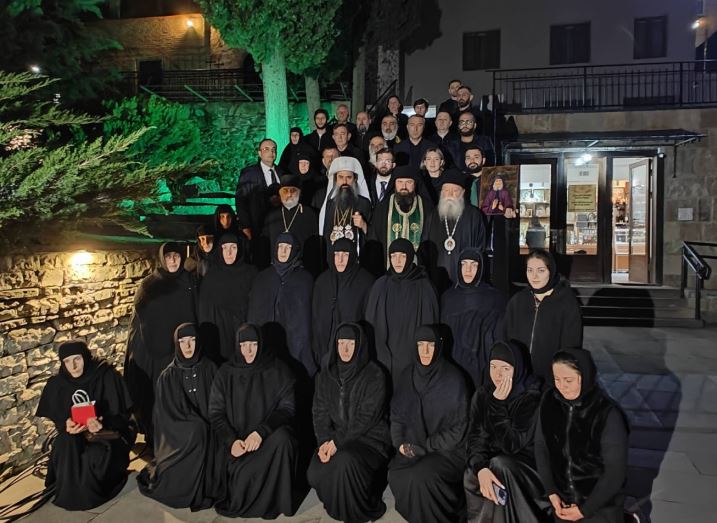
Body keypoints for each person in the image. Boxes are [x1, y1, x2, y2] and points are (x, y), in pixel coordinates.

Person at [209, 323, 300, 518]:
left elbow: (287, 408)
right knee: (241, 485)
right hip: (238, 444)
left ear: (261, 344)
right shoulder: (225, 373)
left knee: (284, 439)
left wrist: (261, 432)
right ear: (237, 346)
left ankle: (278, 503)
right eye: (243, 345)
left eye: (253, 344)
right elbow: (216, 414)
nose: (248, 350)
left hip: (266, 440)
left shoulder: (278, 369)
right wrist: (231, 441)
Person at [308, 323, 391, 523]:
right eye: (341, 343)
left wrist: (336, 442)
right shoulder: (326, 375)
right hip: (336, 439)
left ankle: (359, 510)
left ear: (359, 345)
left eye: (351, 343)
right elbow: (319, 412)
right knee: (314, 473)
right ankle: (338, 505)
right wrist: (324, 442)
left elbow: (366, 418)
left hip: (370, 440)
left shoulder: (374, 374)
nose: (345, 349)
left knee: (345, 462)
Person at [37, 341, 135, 510]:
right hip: (76, 433)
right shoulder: (58, 382)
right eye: (67, 361)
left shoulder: (106, 375)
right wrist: (65, 424)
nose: (73, 366)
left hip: (106, 433)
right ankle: (69, 492)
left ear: (86, 357)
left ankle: (88, 495)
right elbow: (59, 417)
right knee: (62, 445)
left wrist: (102, 422)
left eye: (77, 359)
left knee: (94, 456)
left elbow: (123, 416)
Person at [535, 349, 629, 523]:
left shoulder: (606, 413)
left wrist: (585, 510)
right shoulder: (549, 402)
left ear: (584, 376)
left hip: (599, 504)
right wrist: (551, 492)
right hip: (562, 500)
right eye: (557, 379)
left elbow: (615, 472)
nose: (562, 386)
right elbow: (541, 447)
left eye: (568, 380)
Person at [388, 326, 470, 523]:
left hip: (448, 451)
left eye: (431, 345)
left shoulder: (454, 379)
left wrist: (427, 446)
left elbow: (459, 430)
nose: (425, 351)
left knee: (421, 477)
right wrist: (399, 443)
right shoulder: (406, 375)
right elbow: (396, 416)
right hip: (414, 445)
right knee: (396, 474)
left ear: (439, 347)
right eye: (421, 345)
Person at [137, 323, 220, 510]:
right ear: (177, 344)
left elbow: (220, 405)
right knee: (196, 434)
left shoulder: (210, 368)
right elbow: (165, 419)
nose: (187, 346)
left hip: (212, 433)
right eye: (182, 341)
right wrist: (195, 428)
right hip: (179, 438)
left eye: (192, 340)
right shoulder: (168, 376)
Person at [463, 341, 547, 523]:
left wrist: (497, 406)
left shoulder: (531, 398)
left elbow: (512, 445)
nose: (498, 374)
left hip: (527, 466)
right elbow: (475, 438)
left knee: (499, 466)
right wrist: (481, 467)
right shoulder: (483, 394)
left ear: (517, 369)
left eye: (505, 368)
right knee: (473, 473)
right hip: (496, 460)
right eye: (493, 367)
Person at [124, 242, 196, 444]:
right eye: (168, 256)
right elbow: (141, 318)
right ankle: (155, 436)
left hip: (182, 349)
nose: (173, 260)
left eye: (176, 256)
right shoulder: (150, 285)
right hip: (154, 351)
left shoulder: (189, 282)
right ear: (162, 259)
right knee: (155, 395)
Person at [504, 249, 583, 386]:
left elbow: (571, 345)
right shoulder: (517, 301)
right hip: (519, 378)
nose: (534, 276)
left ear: (551, 271)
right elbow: (506, 337)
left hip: (551, 379)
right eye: (530, 270)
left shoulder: (566, 302)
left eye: (541, 270)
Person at [365, 238, 438, 377]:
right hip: (384, 360)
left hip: (413, 361)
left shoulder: (424, 287)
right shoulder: (380, 286)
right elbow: (371, 324)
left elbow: (430, 327)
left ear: (410, 257)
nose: (397, 261)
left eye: (402, 256)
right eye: (393, 256)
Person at [248, 233, 317, 377]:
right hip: (267, 342)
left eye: (288, 247)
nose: (283, 251)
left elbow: (309, 316)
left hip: (296, 343)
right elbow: (254, 313)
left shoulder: (305, 279)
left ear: (294, 250)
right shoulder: (262, 278)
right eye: (280, 247)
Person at [441, 249, 507, 387]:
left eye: (474, 264)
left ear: (481, 267)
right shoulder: (448, 297)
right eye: (464, 264)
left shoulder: (494, 298)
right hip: (452, 365)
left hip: (482, 365)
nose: (468, 269)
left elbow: (499, 338)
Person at [420, 168, 486, 294]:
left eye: (455, 190)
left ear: (463, 192)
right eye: (446, 190)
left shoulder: (474, 215)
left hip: (465, 280)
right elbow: (424, 248)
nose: (449, 194)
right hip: (435, 278)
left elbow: (479, 248)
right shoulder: (432, 215)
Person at [312, 238, 375, 363]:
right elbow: (315, 318)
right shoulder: (322, 281)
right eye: (337, 254)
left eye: (345, 255)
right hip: (325, 352)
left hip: (353, 352)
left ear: (352, 256)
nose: (340, 260)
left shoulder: (365, 282)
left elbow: (369, 320)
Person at [198, 233, 257, 362]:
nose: (229, 253)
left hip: (244, 337)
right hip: (219, 337)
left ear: (239, 249)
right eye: (225, 248)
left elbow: (257, 308)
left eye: (233, 247)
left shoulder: (251, 274)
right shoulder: (211, 276)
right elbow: (204, 312)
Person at [367, 165, 431, 274]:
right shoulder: (383, 207)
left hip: (418, 273)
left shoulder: (426, 207)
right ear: (394, 184)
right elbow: (375, 239)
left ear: (415, 184)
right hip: (388, 273)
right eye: (400, 182)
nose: (404, 187)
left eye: (408, 182)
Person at [318, 156, 372, 251]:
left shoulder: (364, 203)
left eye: (349, 177)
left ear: (355, 179)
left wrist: (363, 225)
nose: (344, 182)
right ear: (335, 180)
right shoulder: (330, 204)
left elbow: (374, 236)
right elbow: (326, 234)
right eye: (341, 177)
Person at [235, 138, 285, 239]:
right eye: (266, 149)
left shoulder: (283, 172)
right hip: (257, 227)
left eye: (273, 149)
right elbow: (240, 201)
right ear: (259, 153)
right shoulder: (249, 173)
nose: (271, 152)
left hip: (280, 225)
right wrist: (245, 226)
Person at [262, 174, 319, 253]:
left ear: (299, 193)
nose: (289, 195)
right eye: (285, 191)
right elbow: (265, 244)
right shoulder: (272, 216)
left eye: (293, 190)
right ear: (280, 194)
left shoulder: (310, 214)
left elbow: (314, 244)